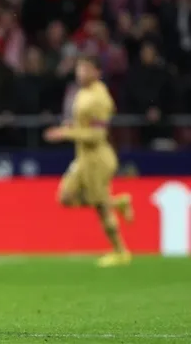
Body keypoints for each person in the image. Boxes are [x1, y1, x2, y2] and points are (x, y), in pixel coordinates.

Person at [44, 56, 133, 268]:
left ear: (97, 72)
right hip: (83, 157)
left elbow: (98, 135)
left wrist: (66, 133)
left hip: (98, 158)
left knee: (101, 207)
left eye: (85, 69)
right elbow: (83, 123)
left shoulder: (101, 98)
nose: (80, 73)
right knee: (65, 197)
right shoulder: (82, 92)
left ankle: (121, 252)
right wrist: (71, 126)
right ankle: (119, 202)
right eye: (79, 68)